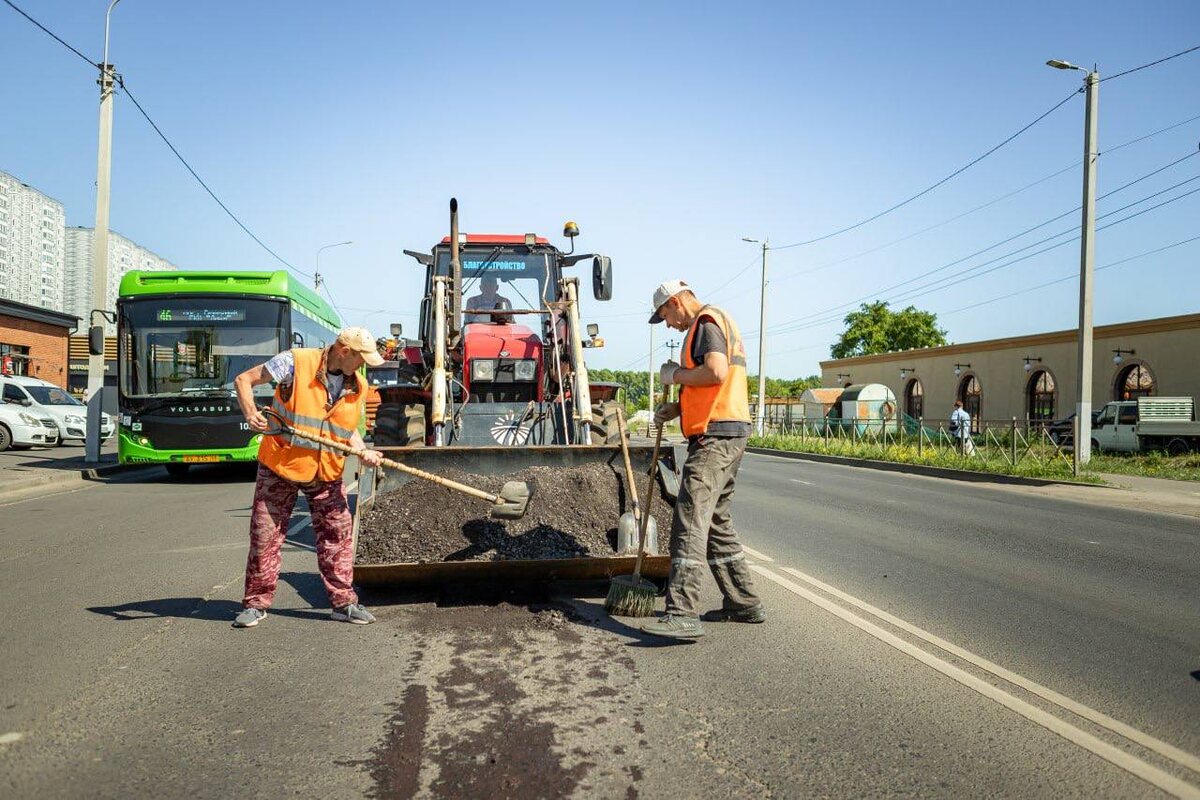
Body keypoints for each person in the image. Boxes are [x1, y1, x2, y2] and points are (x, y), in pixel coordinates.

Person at [231, 327, 386, 628]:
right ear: (344, 351)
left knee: (338, 535)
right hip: (281, 466)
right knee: (266, 535)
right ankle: (255, 604)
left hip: (325, 472)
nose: (364, 365)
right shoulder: (294, 363)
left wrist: (362, 450)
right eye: (361, 358)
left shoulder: (359, 386)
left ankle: (344, 604)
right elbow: (244, 380)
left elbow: (346, 428)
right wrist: (250, 414)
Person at [641, 280, 765, 639]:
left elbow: (715, 372)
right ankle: (743, 601)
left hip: (716, 435)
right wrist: (678, 406)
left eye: (665, 314)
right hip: (728, 428)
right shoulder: (717, 321)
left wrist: (674, 374)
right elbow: (714, 386)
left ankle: (681, 612)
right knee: (715, 520)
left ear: (677, 302)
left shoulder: (706, 324)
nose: (668, 324)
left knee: (690, 515)